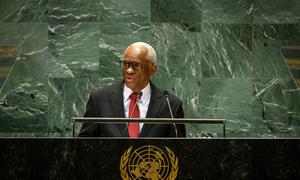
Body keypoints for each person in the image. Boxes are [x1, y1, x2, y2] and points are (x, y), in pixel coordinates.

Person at [78, 42, 186, 137]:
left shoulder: (171, 105)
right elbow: (83, 145)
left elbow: (179, 150)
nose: (129, 70)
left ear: (153, 69)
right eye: (125, 64)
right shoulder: (100, 99)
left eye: (136, 65)